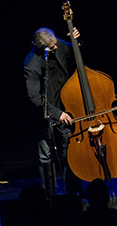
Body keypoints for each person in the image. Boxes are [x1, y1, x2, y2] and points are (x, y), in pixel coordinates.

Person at [24, 27, 83, 196]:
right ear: (44, 49)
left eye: (56, 43)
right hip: (44, 113)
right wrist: (57, 113)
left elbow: (75, 52)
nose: (57, 47)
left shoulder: (57, 44)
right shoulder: (31, 64)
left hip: (65, 105)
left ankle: (73, 191)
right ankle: (48, 195)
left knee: (68, 153)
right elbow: (35, 97)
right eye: (53, 46)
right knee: (45, 156)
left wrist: (76, 41)